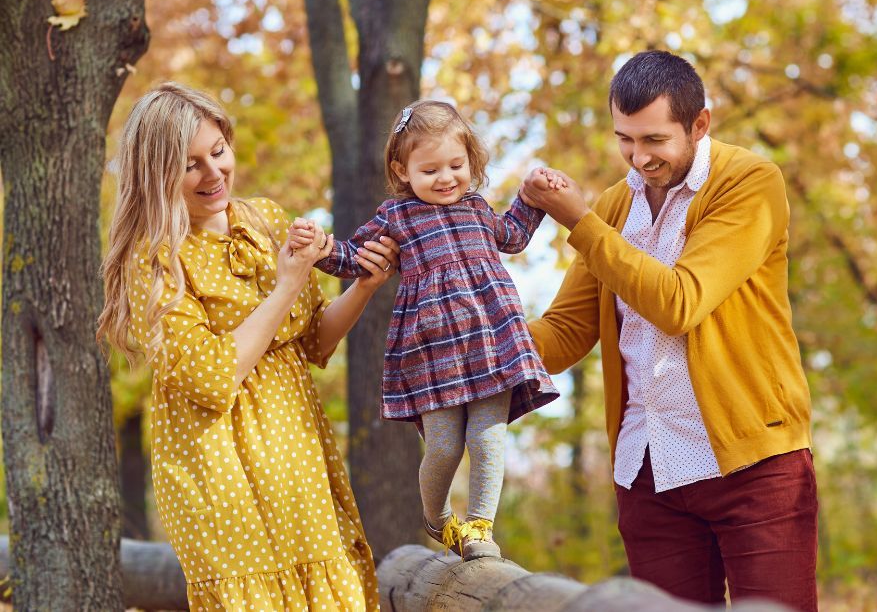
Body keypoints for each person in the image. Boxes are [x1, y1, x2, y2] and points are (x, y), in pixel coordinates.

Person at [521, 50, 819, 610]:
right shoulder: (613, 208)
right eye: (625, 140)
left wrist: (578, 223)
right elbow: (563, 334)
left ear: (699, 124)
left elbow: (680, 302)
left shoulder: (749, 182)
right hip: (647, 470)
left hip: (753, 465)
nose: (638, 158)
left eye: (655, 140)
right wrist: (474, 323)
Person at [97, 83, 397, 611]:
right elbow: (212, 378)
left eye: (218, 152)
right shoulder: (154, 260)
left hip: (297, 456)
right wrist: (286, 283)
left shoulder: (266, 219)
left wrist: (365, 286)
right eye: (190, 165)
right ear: (156, 172)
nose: (213, 173)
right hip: (220, 473)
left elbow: (315, 342)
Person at [286, 100, 560, 561]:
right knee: (446, 446)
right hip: (432, 351)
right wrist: (320, 247)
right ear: (403, 169)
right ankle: (437, 519)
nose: (447, 177)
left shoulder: (477, 207)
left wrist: (533, 197)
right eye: (430, 169)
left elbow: (513, 235)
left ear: (471, 161)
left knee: (488, 436)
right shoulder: (397, 216)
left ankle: (479, 528)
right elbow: (356, 257)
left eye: (456, 165)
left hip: (491, 340)